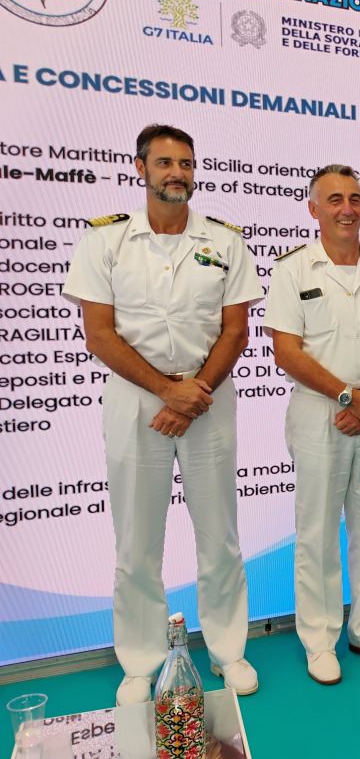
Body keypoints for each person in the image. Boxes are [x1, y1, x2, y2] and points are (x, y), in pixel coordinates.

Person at [61, 124, 263, 705]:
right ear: (141, 168)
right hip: (136, 399)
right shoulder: (105, 241)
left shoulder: (225, 241)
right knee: (136, 542)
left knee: (220, 535)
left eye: (186, 163)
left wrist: (192, 391)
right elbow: (99, 334)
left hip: (207, 397)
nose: (178, 172)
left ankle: (228, 650)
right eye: (166, 162)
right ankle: (141, 661)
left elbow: (236, 330)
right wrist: (166, 391)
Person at [264, 165, 360, 684]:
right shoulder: (293, 270)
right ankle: (319, 639)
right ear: (314, 208)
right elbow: (286, 351)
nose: (347, 209)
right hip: (321, 412)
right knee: (316, 532)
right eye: (334, 200)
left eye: (355, 198)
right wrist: (349, 397)